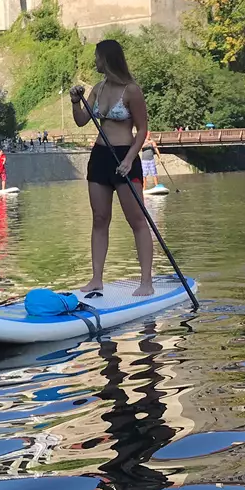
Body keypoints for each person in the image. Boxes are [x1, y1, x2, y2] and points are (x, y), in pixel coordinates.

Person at [70, 39, 154, 298]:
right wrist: (75, 101)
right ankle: (96, 279)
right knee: (99, 218)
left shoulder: (131, 90)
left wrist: (130, 158)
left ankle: (146, 282)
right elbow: (82, 121)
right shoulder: (97, 88)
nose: (94, 61)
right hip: (100, 156)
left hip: (124, 156)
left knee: (137, 220)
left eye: (97, 57)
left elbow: (142, 129)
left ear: (106, 59)